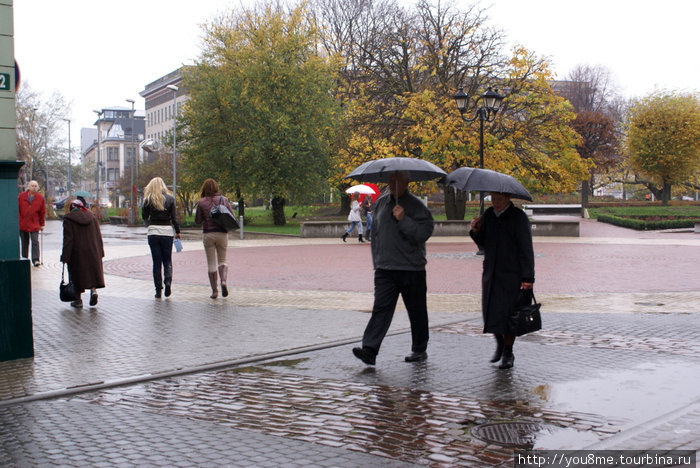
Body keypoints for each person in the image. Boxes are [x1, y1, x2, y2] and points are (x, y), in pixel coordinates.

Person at [352, 171, 434, 365]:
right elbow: (377, 234)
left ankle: (419, 349)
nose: (392, 183)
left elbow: (424, 232)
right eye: (390, 179)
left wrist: (404, 219)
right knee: (381, 308)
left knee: (417, 311)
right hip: (385, 268)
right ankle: (369, 350)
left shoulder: (416, 206)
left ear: (406, 182)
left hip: (411, 268)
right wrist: (377, 261)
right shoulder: (381, 202)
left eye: (396, 179)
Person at [469, 192, 535, 370]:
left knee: (509, 317)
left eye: (499, 199)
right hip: (491, 273)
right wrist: (475, 231)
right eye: (493, 199)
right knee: (491, 314)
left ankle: (508, 352)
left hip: (511, 275)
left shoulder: (518, 217)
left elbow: (526, 248)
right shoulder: (489, 215)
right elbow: (483, 243)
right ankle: (500, 344)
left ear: (507, 198)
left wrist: (528, 277)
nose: (495, 203)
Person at [60, 199, 105, 308]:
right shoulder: (92, 217)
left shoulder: (68, 218)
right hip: (93, 250)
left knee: (76, 273)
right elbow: (98, 235)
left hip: (77, 252)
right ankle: (93, 291)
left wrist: (65, 256)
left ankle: (78, 299)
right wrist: (101, 252)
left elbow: (68, 239)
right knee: (92, 271)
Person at [142, 177, 181, 299]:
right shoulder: (170, 199)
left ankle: (158, 290)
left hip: (153, 232)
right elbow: (174, 218)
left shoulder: (148, 200)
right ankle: (168, 281)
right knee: (167, 260)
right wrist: (178, 231)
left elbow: (144, 216)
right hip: (167, 233)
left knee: (156, 262)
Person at [194, 178, 232, 299]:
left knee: (211, 263)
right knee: (223, 260)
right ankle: (224, 281)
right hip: (222, 233)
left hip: (208, 234)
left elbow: (197, 221)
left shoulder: (201, 202)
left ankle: (214, 291)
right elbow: (232, 215)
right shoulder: (223, 200)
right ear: (216, 187)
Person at [18, 180, 46, 266]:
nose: (34, 188)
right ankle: (24, 258)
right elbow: (17, 209)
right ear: (28, 187)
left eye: (35, 186)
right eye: (32, 186)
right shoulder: (21, 196)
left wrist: (42, 224)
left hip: (34, 223)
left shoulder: (40, 198)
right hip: (23, 223)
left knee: (35, 241)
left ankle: (35, 259)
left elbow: (42, 212)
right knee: (24, 242)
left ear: (37, 188)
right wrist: (19, 220)